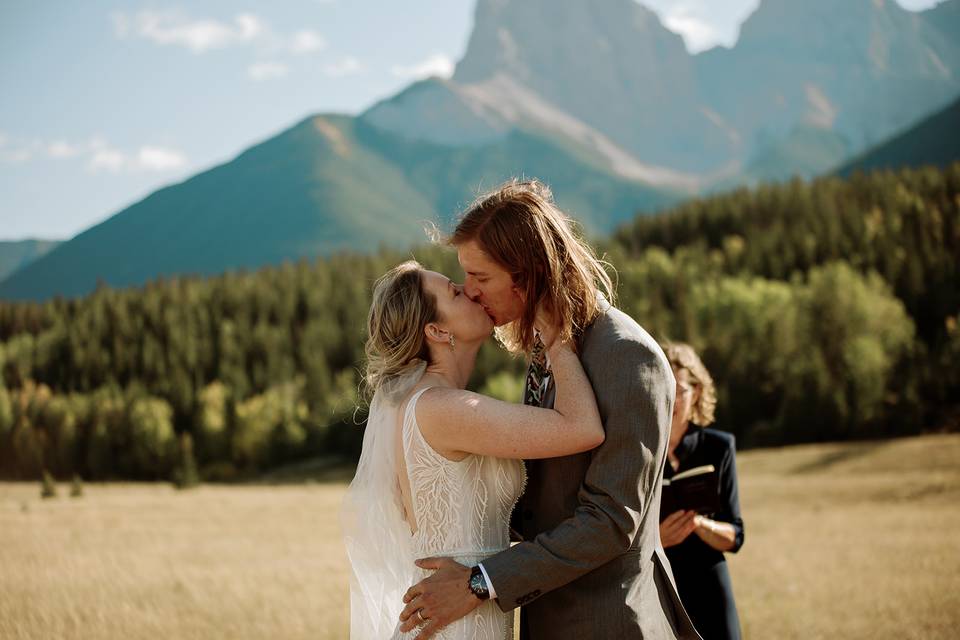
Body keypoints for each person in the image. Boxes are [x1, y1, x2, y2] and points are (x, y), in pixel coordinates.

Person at [397, 180, 701, 639]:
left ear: (530, 271)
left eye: (481, 277)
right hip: (547, 618)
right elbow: (548, 504)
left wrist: (481, 582)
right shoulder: (550, 345)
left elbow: (610, 521)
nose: (471, 290)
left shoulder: (625, 355)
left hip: (607, 623)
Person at [342, 259, 607, 639]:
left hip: (467, 609)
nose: (469, 291)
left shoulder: (436, 403)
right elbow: (582, 428)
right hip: (457, 624)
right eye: (453, 292)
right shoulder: (441, 408)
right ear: (436, 329)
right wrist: (554, 332)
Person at [659, 343, 744, 640]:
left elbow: (736, 536)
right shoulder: (642, 450)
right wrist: (658, 539)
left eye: (679, 388)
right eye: (663, 385)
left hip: (710, 584)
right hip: (661, 587)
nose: (671, 397)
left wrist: (700, 523)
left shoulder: (719, 447)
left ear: (696, 392)